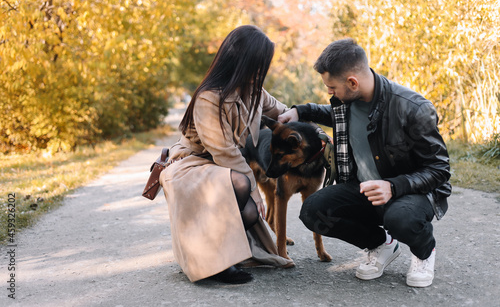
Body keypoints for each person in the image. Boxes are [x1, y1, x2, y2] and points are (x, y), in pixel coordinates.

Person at [278, 38, 451, 287]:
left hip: (410, 192)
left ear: (352, 82)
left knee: (400, 220)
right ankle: (381, 245)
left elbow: (439, 169)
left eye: (331, 87)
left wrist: (393, 186)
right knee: (313, 212)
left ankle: (424, 251)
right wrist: (300, 111)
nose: (329, 92)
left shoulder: (414, 108)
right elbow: (333, 115)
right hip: (364, 189)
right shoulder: (347, 101)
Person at [160, 25, 294, 284]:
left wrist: (304, 123)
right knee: (242, 184)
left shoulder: (254, 92)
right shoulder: (209, 97)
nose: (261, 71)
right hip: (193, 165)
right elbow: (224, 152)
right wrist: (255, 190)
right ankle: (216, 263)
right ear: (242, 61)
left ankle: (219, 255)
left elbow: (282, 112)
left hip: (222, 169)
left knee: (251, 214)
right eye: (258, 64)